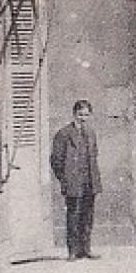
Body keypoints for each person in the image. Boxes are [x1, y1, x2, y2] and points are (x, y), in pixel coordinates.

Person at [51, 99, 101, 259]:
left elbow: (94, 155)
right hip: (73, 181)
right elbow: (55, 160)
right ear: (74, 114)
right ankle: (72, 251)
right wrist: (65, 178)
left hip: (89, 180)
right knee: (73, 215)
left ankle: (86, 249)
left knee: (88, 215)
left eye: (86, 115)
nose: (83, 118)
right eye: (80, 114)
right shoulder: (64, 134)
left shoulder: (91, 133)